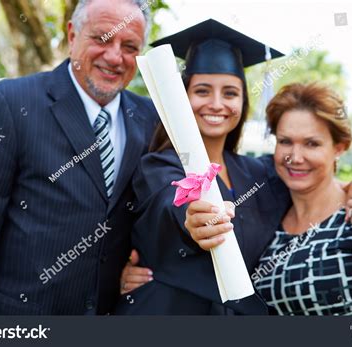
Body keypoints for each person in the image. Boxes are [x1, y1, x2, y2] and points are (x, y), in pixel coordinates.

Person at [0, 0, 158, 315]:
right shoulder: (8, 105)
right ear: (72, 34)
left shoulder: (150, 120)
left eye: (129, 46)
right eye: (101, 39)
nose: (114, 56)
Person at [113, 18, 297, 315]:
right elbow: (170, 204)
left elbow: (307, 193)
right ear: (182, 98)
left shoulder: (260, 173)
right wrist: (193, 220)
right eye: (201, 91)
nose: (215, 103)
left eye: (230, 93)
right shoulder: (159, 166)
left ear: (243, 102)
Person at [185, 83, 352, 315]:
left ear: (339, 148)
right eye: (285, 141)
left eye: (311, 143)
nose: (295, 157)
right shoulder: (268, 215)